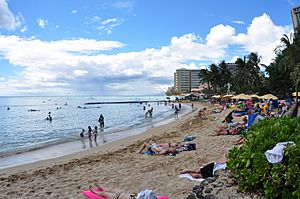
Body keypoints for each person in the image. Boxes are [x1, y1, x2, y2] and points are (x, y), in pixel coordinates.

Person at [88, 184, 157, 199]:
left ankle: (95, 192)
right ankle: (102, 187)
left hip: (116, 198)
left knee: (104, 193)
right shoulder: (139, 197)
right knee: (112, 189)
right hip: (123, 194)